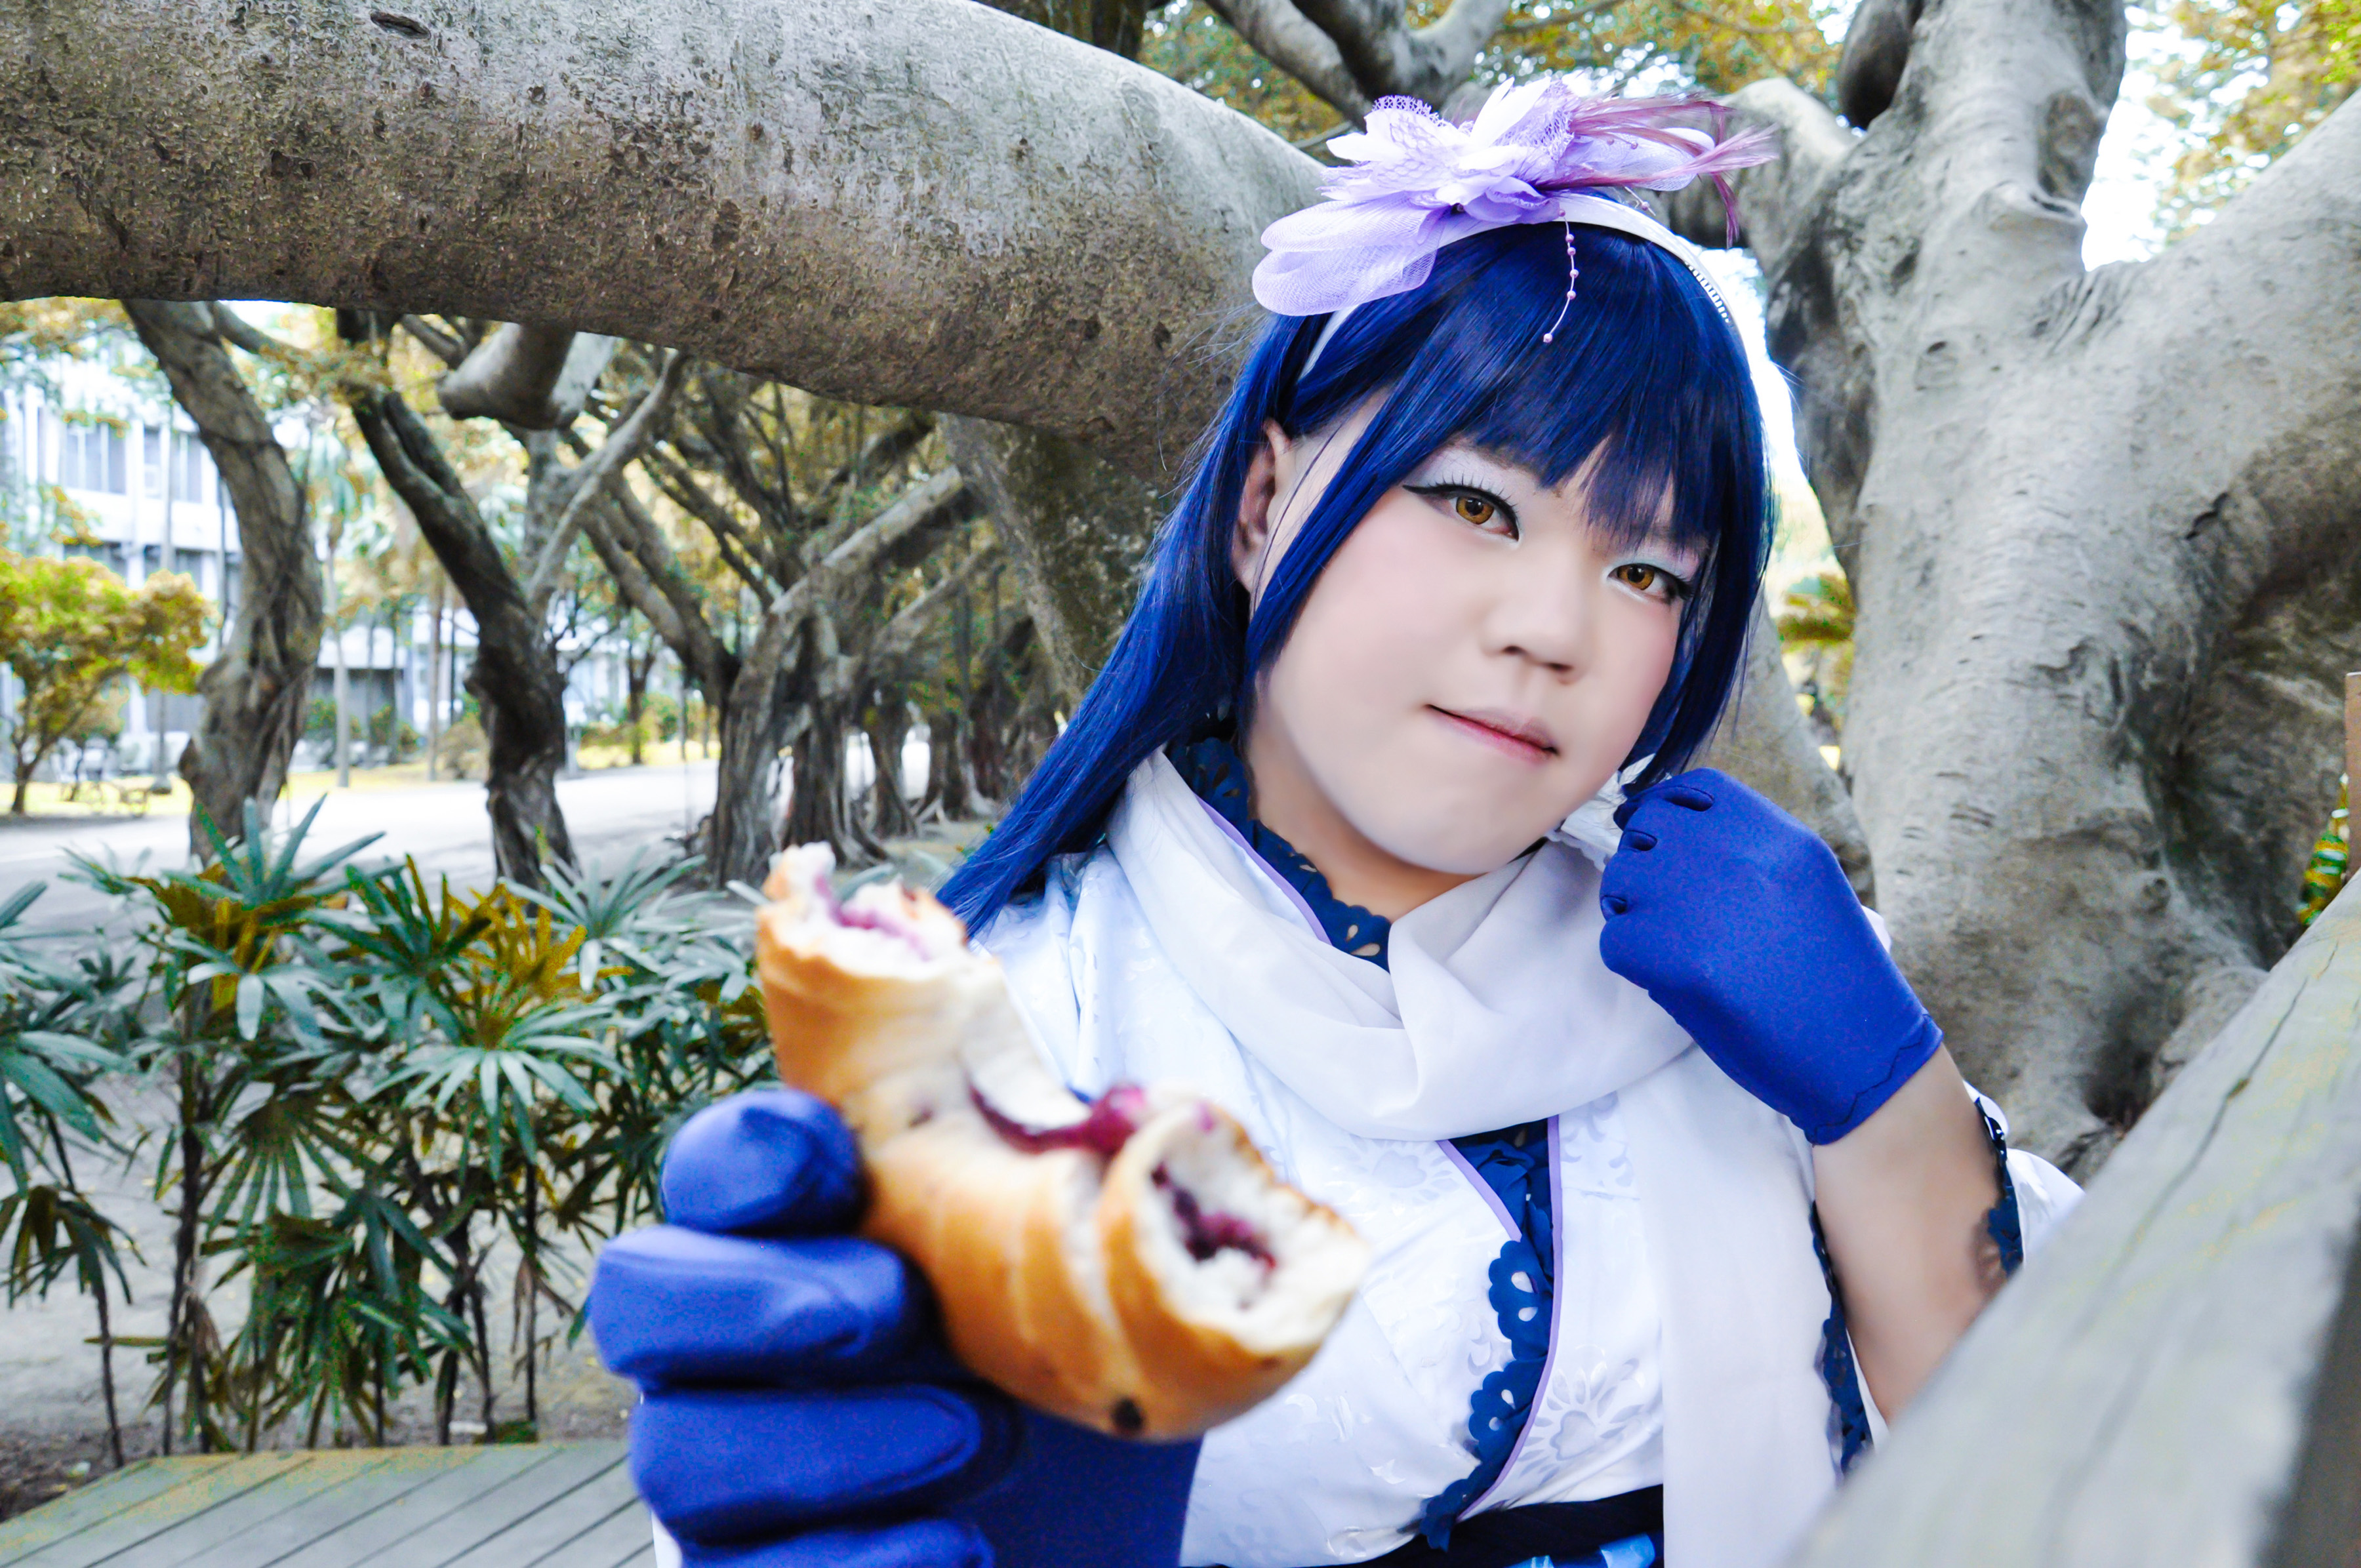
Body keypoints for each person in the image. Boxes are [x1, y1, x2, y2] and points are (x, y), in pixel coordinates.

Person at [588, 80, 2081, 1568]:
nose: (1555, 628)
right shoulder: (1017, 1032)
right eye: (1478, 505)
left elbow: (2043, 1456)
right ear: (1261, 506)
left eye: (1650, 574)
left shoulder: (1754, 987)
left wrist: (1892, 1102)